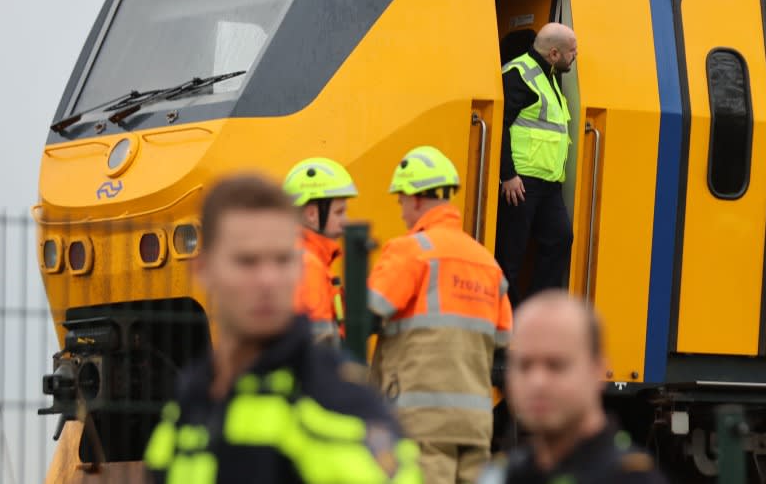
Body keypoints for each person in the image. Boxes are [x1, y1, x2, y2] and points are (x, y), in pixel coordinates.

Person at [143, 173, 421, 484]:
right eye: (247, 261)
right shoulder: (186, 410)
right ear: (203, 269)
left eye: (282, 260)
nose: (269, 280)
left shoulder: (342, 406)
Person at [368, 146, 513, 484]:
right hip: (475, 425)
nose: (402, 211)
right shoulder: (486, 262)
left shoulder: (409, 252)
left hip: (419, 423)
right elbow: (505, 339)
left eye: (401, 200)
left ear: (416, 199)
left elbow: (366, 314)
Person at [478, 290, 668, 484]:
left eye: (556, 365)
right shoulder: (501, 475)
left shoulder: (631, 478)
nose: (537, 382)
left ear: (598, 370)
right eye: (524, 366)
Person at [496, 22, 577, 306]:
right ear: (554, 54)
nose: (575, 55)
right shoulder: (519, 74)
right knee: (510, 255)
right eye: (572, 51)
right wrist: (508, 175)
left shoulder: (550, 74)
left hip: (549, 184)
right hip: (520, 183)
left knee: (560, 238)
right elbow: (500, 125)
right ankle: (508, 318)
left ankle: (534, 312)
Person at [283, 157, 359, 346]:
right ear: (312, 214)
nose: (346, 221)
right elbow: (319, 345)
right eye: (339, 212)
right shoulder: (309, 266)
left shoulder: (302, 258)